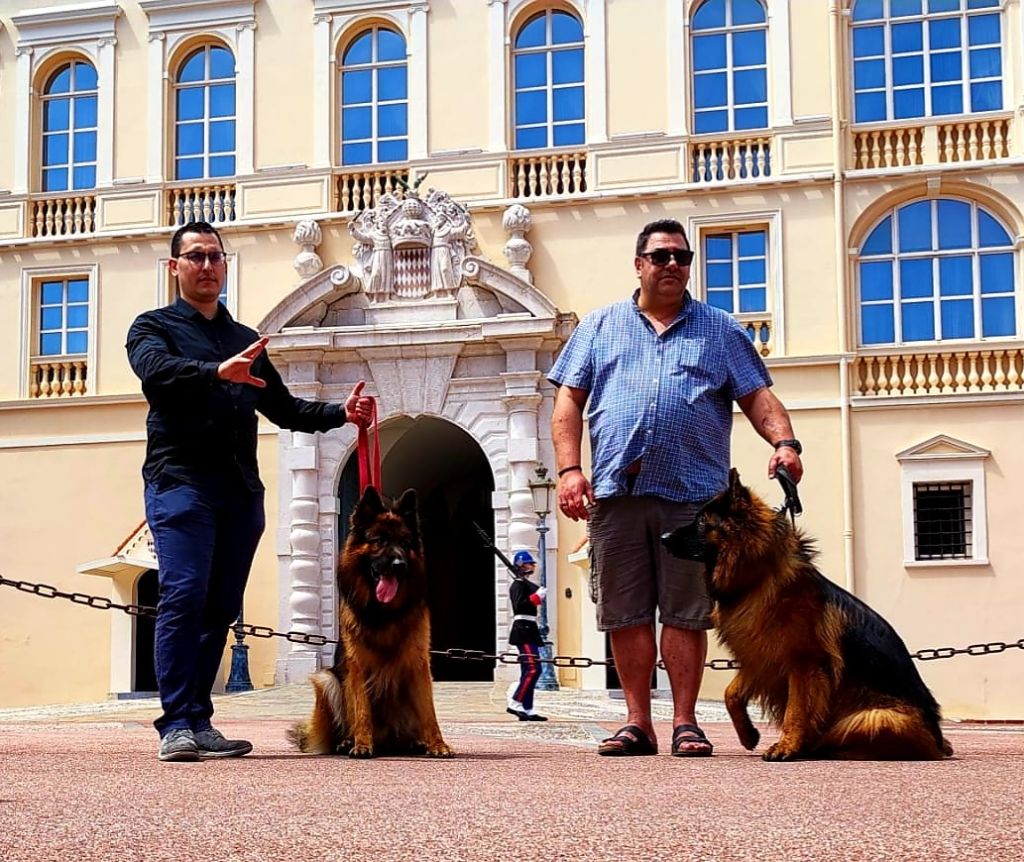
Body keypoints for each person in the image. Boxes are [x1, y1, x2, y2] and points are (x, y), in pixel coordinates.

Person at [548, 218, 803, 757]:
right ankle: (637, 721)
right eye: (661, 256)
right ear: (639, 264)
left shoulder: (721, 330)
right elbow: (568, 401)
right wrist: (570, 470)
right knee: (625, 611)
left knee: (686, 612)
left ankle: (685, 720)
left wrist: (786, 443)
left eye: (682, 258)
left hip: (696, 500)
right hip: (617, 494)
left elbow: (757, 397)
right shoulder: (598, 327)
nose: (672, 266)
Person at [126, 220, 374, 763]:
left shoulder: (246, 340)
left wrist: (340, 412)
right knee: (184, 595)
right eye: (195, 257)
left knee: (218, 608)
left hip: (238, 492)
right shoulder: (153, 327)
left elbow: (285, 410)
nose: (207, 265)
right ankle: (176, 723)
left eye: (215, 256)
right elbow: (155, 373)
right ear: (175, 268)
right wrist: (216, 372)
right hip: (180, 483)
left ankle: (200, 720)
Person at [505, 550, 548, 722]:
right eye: (530, 563)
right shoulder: (517, 585)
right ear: (521, 564)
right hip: (523, 629)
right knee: (533, 668)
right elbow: (519, 605)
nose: (533, 566)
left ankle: (527, 708)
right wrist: (535, 597)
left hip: (530, 628)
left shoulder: (524, 583)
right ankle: (516, 701)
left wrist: (535, 596)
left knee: (529, 670)